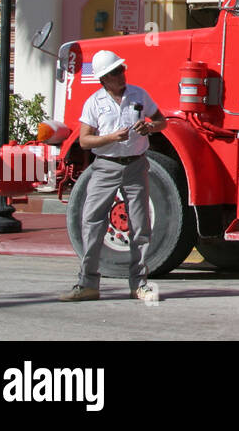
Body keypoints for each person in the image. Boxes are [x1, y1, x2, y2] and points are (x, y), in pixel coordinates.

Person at [58, 50, 167, 302]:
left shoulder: (138, 95)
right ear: (103, 79)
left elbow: (162, 121)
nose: (121, 75)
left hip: (136, 166)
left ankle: (139, 284)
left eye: (121, 70)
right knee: (92, 222)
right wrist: (110, 138)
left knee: (140, 226)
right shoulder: (94, 102)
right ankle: (87, 284)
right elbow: (85, 141)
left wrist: (150, 126)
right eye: (115, 73)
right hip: (105, 167)